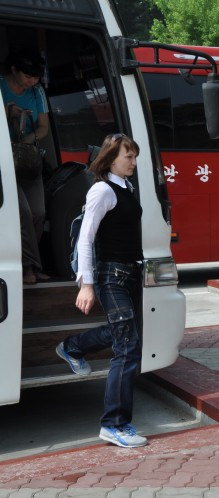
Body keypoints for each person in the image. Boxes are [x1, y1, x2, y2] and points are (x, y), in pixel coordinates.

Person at [55, 133, 148, 448]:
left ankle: (72, 346)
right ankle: (114, 424)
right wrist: (87, 284)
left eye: (134, 156)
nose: (134, 162)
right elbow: (85, 237)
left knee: (123, 333)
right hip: (111, 276)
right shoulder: (101, 190)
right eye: (129, 157)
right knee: (128, 347)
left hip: (131, 273)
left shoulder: (126, 187)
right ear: (111, 159)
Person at [1, 48, 51, 284]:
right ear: (14, 69)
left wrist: (27, 139)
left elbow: (43, 128)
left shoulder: (37, 92)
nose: (33, 81)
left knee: (39, 213)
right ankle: (29, 267)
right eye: (28, 75)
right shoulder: (1, 86)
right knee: (23, 212)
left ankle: (28, 265)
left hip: (28, 158)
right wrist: (7, 112)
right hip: (4, 160)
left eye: (36, 76)